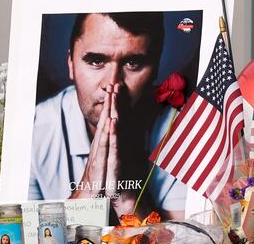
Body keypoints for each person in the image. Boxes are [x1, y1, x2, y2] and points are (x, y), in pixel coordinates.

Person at [30, 12, 187, 221]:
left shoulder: (185, 134)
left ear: (156, 67)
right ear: (70, 63)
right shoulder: (34, 130)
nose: (112, 84)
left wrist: (127, 197)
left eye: (132, 63)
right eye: (96, 61)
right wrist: (85, 191)